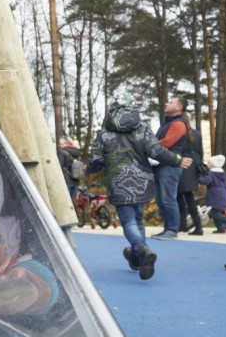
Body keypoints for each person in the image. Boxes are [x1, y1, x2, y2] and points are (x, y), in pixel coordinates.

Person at [87, 98, 191, 280]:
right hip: (142, 180)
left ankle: (140, 249)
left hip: (118, 182)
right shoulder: (142, 128)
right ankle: (138, 258)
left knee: (128, 222)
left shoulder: (104, 134)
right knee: (138, 219)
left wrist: (89, 169)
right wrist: (177, 160)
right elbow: (156, 151)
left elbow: (96, 161)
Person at [152, 96, 189, 240]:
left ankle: (173, 230)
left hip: (170, 166)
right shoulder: (168, 123)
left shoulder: (179, 124)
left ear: (179, 107)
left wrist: (148, 146)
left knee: (168, 199)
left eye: (171, 102)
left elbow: (166, 143)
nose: (166, 103)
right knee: (161, 199)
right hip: (161, 164)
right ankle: (167, 228)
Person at [176, 115, 204, 235]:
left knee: (179, 196)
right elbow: (200, 151)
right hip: (193, 166)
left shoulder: (180, 134)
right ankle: (197, 225)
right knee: (189, 196)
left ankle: (183, 225)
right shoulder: (197, 134)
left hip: (182, 164)